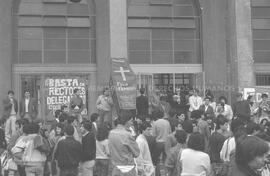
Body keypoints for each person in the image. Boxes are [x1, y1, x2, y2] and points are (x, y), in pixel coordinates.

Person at [108, 110, 140, 176]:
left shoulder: (111, 133)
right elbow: (137, 153)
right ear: (126, 121)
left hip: (115, 167)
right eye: (131, 121)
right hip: (128, 168)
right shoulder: (127, 135)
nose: (132, 123)